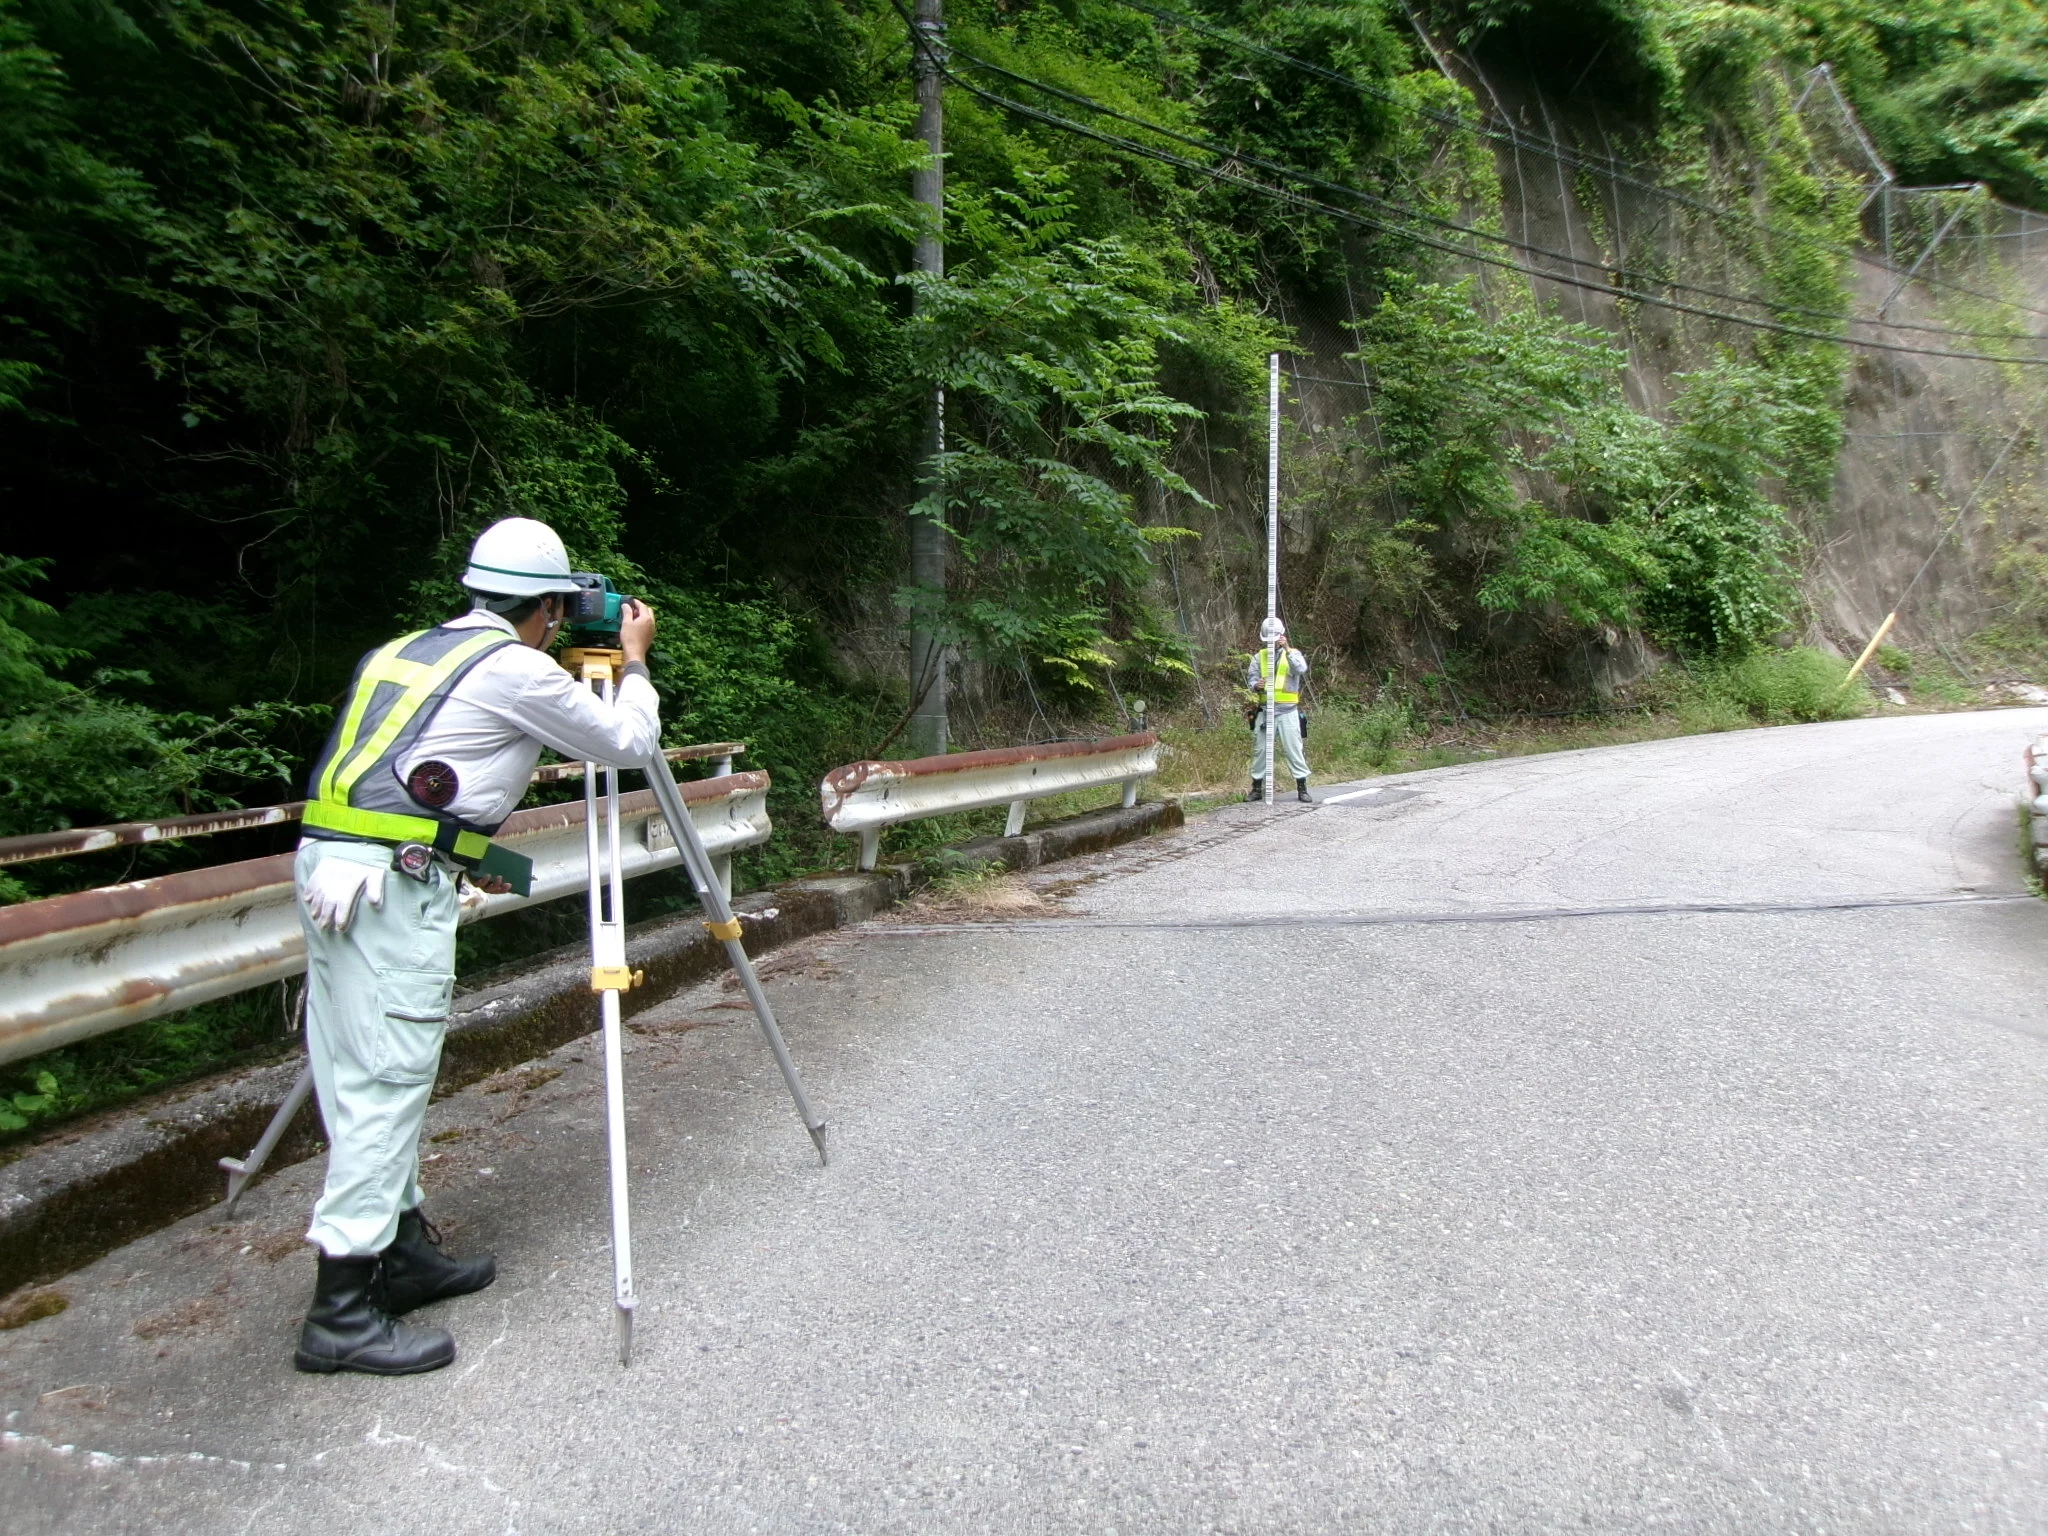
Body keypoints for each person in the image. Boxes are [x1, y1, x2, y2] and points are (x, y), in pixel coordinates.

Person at [290, 516, 661, 1376]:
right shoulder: (516, 667)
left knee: (357, 1069)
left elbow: (403, 781)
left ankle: (403, 1247)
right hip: (389, 889)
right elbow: (627, 743)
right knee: (387, 1081)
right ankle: (341, 1308)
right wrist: (634, 659)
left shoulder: (401, 652)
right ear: (549, 609)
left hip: (334, 868)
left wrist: (471, 852)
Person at [1246, 617, 1311, 804]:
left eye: (1275, 639)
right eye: (1268, 639)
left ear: (1281, 636)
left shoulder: (1293, 654)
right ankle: (1256, 788)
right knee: (1260, 750)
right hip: (1266, 711)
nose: (1271, 643)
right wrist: (1256, 685)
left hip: (1288, 711)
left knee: (1294, 749)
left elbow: (1301, 669)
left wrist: (1287, 649)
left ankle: (1302, 788)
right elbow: (1251, 679)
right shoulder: (1260, 657)